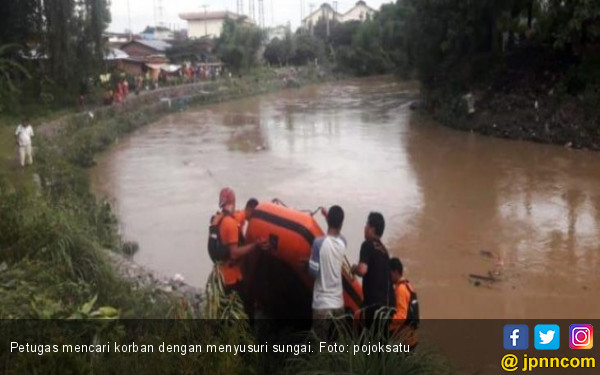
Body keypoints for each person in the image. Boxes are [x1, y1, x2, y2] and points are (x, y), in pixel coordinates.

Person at [209, 188, 265, 294]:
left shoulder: (219, 218)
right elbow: (234, 253)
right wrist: (255, 245)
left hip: (219, 274)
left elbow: (242, 215)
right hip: (231, 279)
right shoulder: (231, 224)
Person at [309, 205, 347, 339]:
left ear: (329, 220)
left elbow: (313, 272)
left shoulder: (318, 243)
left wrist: (307, 263)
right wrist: (328, 218)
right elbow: (337, 234)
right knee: (336, 347)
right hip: (338, 304)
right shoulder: (343, 243)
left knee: (320, 346)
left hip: (322, 305)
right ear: (341, 223)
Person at [352, 212, 395, 327]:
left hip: (374, 307)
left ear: (372, 228)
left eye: (366, 224)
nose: (365, 228)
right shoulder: (385, 251)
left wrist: (354, 269)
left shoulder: (367, 245)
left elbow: (362, 270)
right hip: (388, 307)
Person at [389, 257, 419, 347]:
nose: (388, 277)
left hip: (404, 339)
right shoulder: (407, 285)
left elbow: (401, 316)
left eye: (389, 273)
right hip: (412, 336)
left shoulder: (400, 289)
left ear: (395, 272)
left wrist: (387, 323)